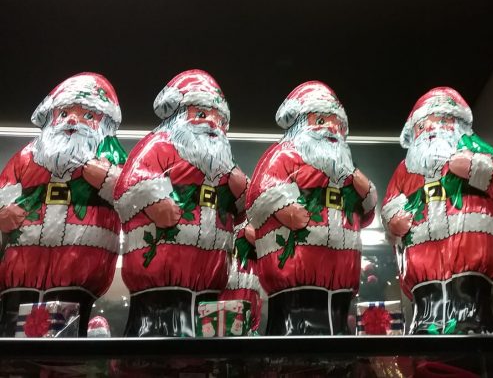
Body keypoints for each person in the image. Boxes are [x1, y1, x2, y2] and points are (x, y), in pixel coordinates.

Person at [114, 70, 248, 337]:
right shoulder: (160, 145)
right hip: (161, 277)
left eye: (219, 119)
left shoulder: (223, 162)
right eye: (201, 113)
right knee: (160, 334)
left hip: (211, 276)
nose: (211, 123)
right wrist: (155, 201)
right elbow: (130, 182)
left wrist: (241, 188)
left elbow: (243, 211)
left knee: (202, 343)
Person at [246, 81, 377, 335]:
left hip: (342, 277)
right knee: (297, 329)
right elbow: (260, 194)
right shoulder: (285, 155)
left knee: (337, 326)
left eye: (337, 124)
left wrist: (364, 189)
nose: (330, 128)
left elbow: (368, 213)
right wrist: (284, 207)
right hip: (295, 278)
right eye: (320, 120)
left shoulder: (346, 170)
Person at [0, 73, 125, 336]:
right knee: (16, 334)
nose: (73, 120)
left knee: (67, 336)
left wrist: (107, 179)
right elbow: (5, 188)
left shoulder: (110, 156)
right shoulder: (27, 157)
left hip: (79, 267)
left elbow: (131, 194)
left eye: (87, 115)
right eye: (65, 112)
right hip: (21, 267)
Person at [382, 87, 493, 334]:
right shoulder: (406, 168)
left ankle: (472, 322)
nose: (431, 128)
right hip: (422, 253)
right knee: (427, 299)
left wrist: (475, 167)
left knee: (469, 297)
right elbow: (390, 201)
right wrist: (393, 218)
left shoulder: (475, 149)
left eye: (441, 120)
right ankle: (426, 323)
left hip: (471, 247)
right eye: (422, 125)